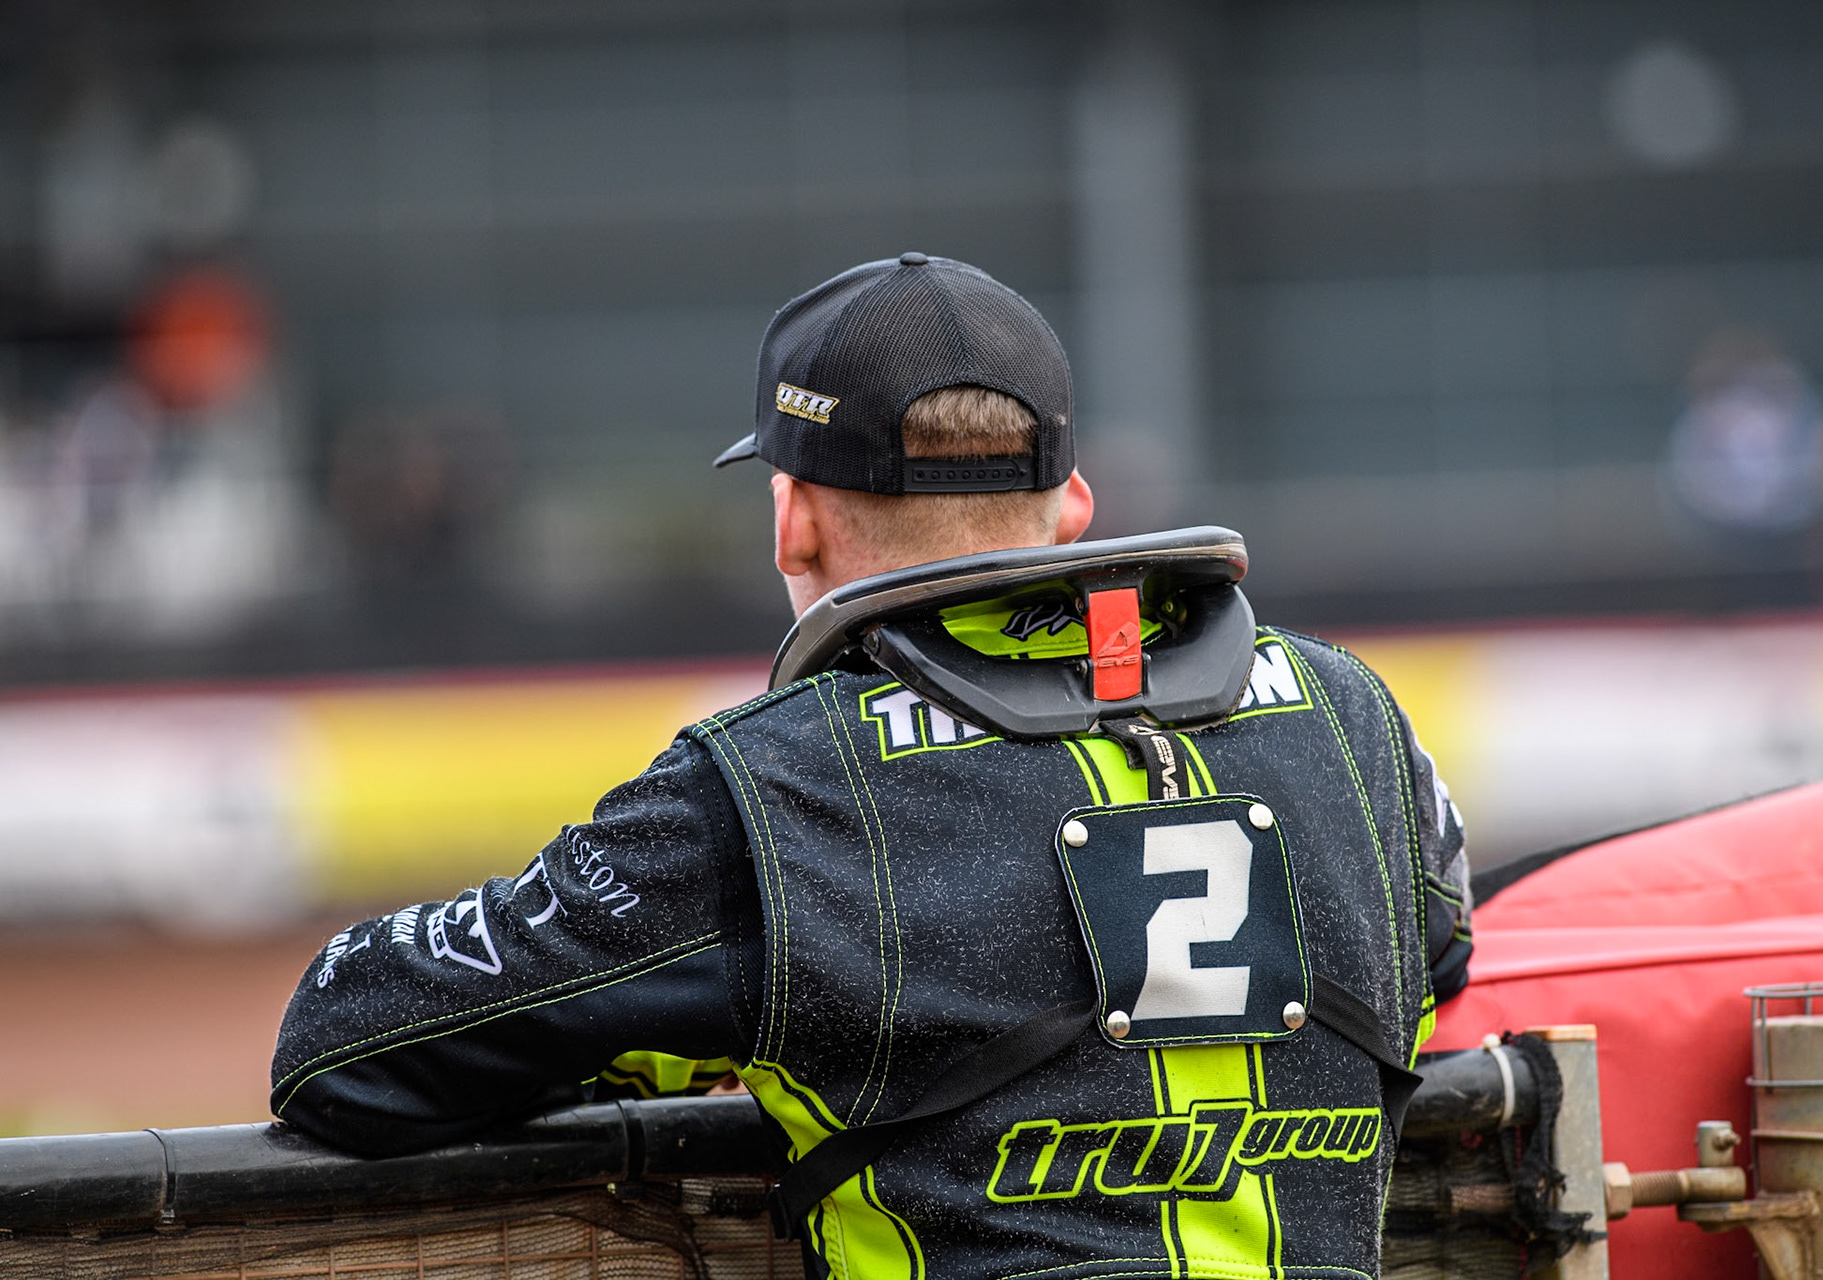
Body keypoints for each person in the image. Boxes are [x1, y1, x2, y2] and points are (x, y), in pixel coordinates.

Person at [272, 253, 1472, 1279]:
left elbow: (342, 1044)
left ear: (791, 516)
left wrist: (724, 1030)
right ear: (1073, 505)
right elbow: (1437, 956)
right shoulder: (1354, 713)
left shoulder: (777, 786)